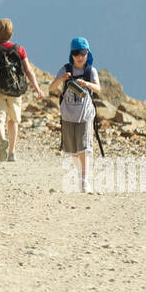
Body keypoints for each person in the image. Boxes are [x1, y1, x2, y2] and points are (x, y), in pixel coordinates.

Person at [0, 18, 45, 162]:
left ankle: (3, 139)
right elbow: (28, 70)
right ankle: (12, 152)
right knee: (13, 120)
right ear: (12, 32)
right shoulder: (19, 49)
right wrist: (37, 89)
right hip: (15, 90)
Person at [53, 37, 101, 193]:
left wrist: (87, 84)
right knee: (73, 150)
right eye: (76, 54)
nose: (80, 57)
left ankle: (84, 180)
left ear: (88, 53)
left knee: (85, 148)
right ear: (71, 55)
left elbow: (98, 89)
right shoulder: (65, 69)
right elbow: (51, 88)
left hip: (85, 114)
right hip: (68, 115)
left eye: (83, 53)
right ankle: (81, 173)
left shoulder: (90, 71)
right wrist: (62, 79)